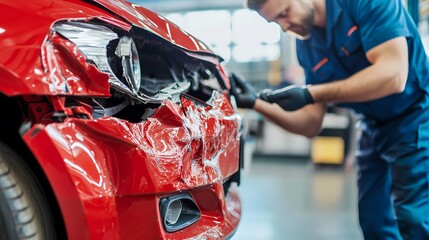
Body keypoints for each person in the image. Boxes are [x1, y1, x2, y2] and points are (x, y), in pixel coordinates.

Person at [229, 0, 429, 239]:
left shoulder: (365, 3)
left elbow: (394, 75)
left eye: (284, 14)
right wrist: (255, 103)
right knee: (374, 221)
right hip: (371, 126)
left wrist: (311, 93)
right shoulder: (307, 48)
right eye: (275, 22)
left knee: (414, 218)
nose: (284, 27)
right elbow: (310, 124)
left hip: (416, 114)